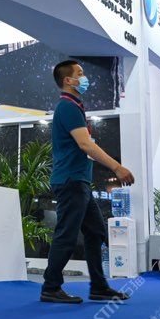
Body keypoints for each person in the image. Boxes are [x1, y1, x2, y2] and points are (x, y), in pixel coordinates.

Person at [40, 60, 135, 304]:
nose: (84, 78)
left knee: (95, 232)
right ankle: (51, 287)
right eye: (80, 74)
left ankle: (99, 287)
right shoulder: (67, 107)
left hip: (78, 181)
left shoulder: (74, 106)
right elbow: (85, 145)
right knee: (66, 235)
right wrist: (117, 167)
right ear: (68, 81)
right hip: (71, 181)